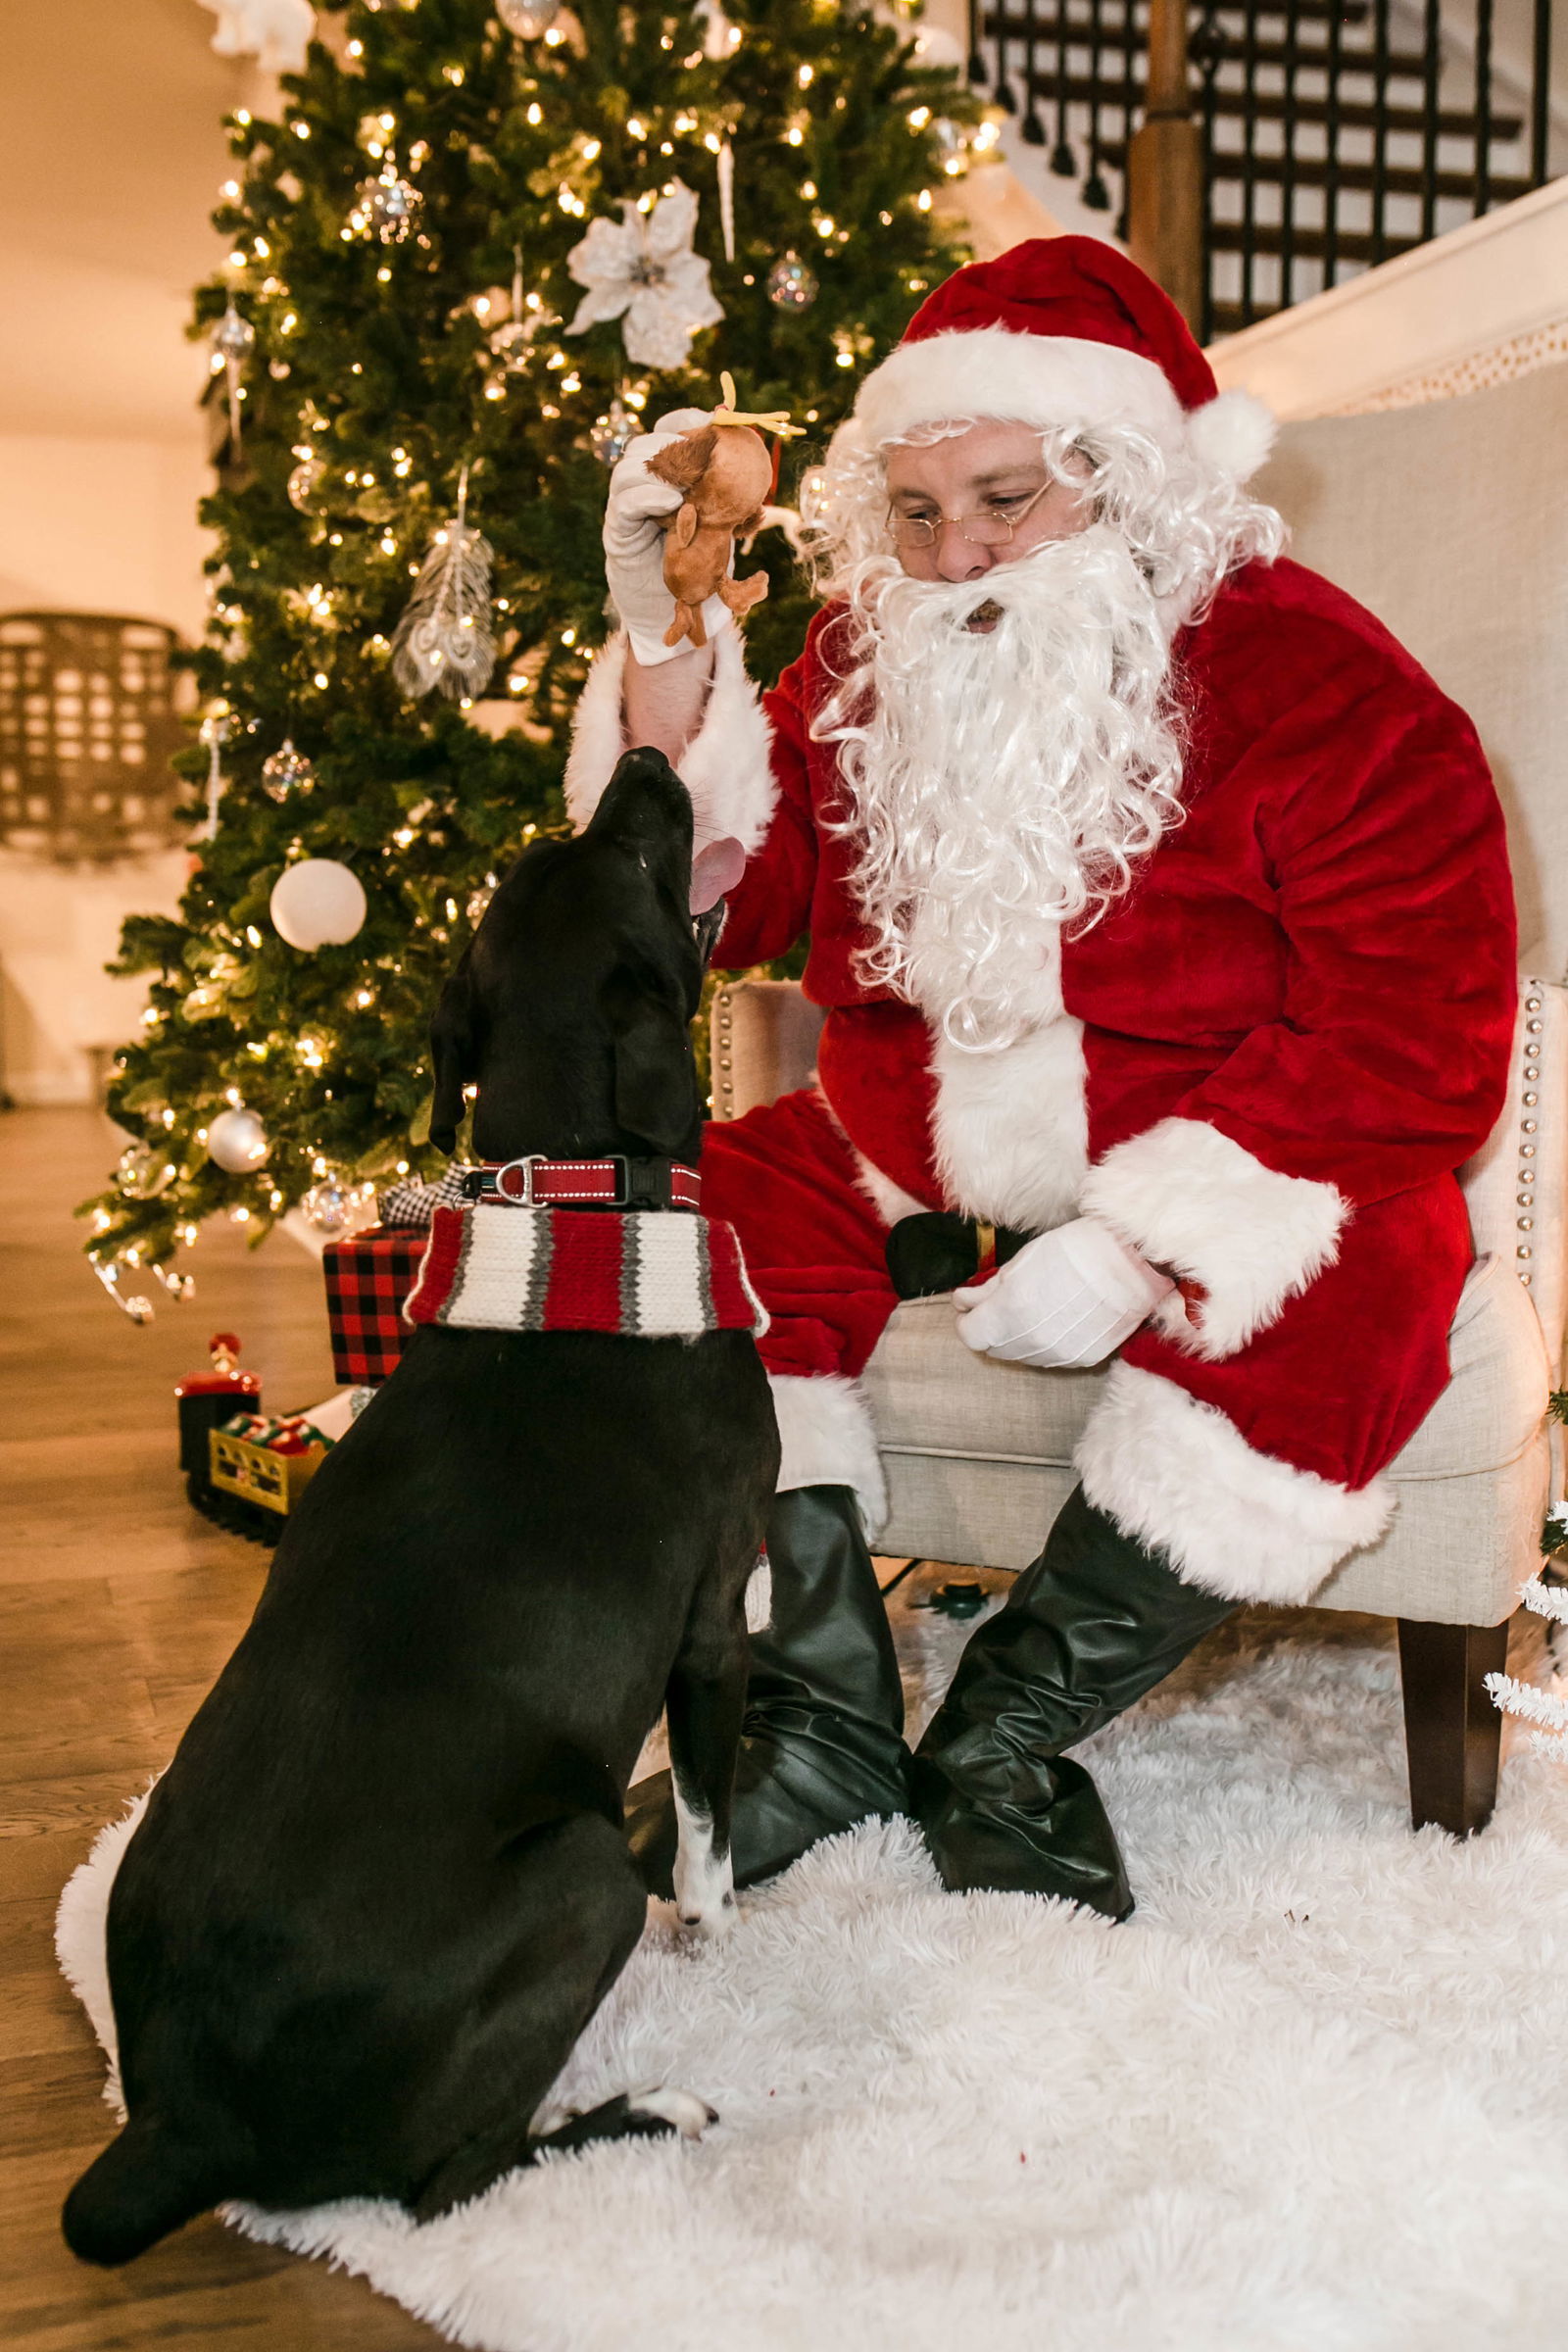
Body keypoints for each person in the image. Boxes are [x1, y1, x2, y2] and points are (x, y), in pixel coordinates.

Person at [564, 237, 1517, 1920]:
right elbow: (723, 892)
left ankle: (1004, 1734)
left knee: (1386, 1271)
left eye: (1006, 498)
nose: (958, 554)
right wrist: (665, 644)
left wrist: (1144, 1243)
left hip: (1223, 1138)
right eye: (919, 515)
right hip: (902, 1140)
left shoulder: (1330, 687)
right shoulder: (867, 663)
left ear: (1128, 476)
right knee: (667, 1227)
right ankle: (823, 1716)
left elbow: (1417, 1036)